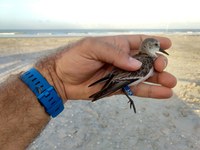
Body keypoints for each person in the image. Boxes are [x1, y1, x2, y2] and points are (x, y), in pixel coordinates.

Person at [0, 35, 177, 149]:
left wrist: (55, 78)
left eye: (158, 47)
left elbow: (124, 77)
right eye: (156, 46)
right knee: (123, 84)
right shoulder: (145, 62)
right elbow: (126, 77)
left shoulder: (143, 59)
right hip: (120, 80)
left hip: (119, 79)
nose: (160, 50)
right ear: (149, 47)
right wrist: (55, 77)